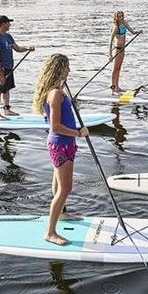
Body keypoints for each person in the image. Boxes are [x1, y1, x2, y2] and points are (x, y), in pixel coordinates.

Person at [32, 54, 89, 246]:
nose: (69, 71)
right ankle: (50, 232)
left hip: (64, 143)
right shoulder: (55, 93)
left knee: (58, 184)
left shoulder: (58, 91)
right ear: (60, 69)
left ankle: (62, 214)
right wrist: (78, 133)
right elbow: (55, 126)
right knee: (65, 189)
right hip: (61, 142)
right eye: (67, 67)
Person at [0, 15, 35, 119]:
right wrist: (0, 74)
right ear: (2, 24)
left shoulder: (8, 37)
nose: (9, 24)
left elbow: (17, 48)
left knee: (6, 90)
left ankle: (7, 110)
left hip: (9, 68)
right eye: (7, 23)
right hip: (1, 69)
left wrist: (27, 48)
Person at [108, 11, 142, 94]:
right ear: (116, 17)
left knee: (119, 68)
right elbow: (110, 41)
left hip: (122, 49)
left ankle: (117, 86)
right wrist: (110, 54)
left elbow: (132, 31)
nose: (121, 18)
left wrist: (138, 32)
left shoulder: (124, 23)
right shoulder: (116, 27)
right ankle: (113, 88)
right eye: (119, 16)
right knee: (115, 69)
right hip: (116, 50)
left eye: (122, 16)